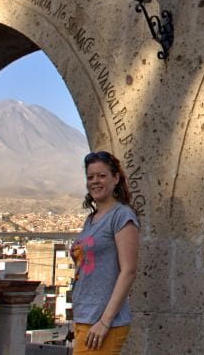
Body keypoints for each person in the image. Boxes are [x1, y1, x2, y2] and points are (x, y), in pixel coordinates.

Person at [70, 150, 139, 354]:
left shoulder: (122, 216)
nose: (95, 181)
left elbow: (129, 271)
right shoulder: (90, 220)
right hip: (85, 318)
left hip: (102, 323)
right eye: (90, 177)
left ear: (116, 178)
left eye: (102, 176)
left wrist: (105, 321)